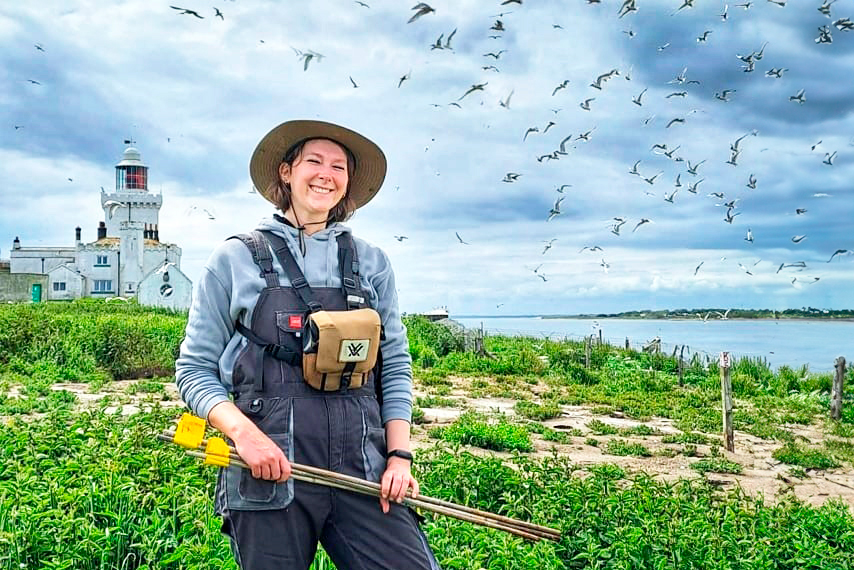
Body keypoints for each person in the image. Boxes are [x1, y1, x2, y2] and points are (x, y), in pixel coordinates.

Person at [175, 119, 440, 569]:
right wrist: (246, 437)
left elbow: (394, 366)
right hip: (267, 471)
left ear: (347, 184)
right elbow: (194, 370)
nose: (326, 173)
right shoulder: (235, 258)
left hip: (363, 466)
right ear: (285, 172)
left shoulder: (372, 262)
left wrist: (399, 457)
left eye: (338, 166)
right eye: (313, 161)